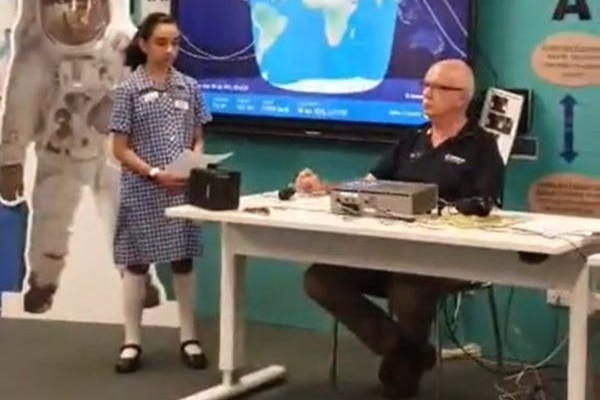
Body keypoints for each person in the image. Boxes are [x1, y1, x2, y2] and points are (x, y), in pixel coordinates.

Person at [297, 59, 505, 399]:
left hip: (445, 260)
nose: (426, 93)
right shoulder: (411, 139)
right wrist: (325, 188)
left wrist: (440, 209)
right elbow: (369, 185)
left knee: (408, 288)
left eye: (438, 87)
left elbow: (486, 202)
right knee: (320, 278)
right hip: (389, 251)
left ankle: (402, 377)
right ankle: (404, 350)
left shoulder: (481, 145)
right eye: (425, 85)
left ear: (462, 98)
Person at [0, 0, 161, 313]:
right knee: (51, 217)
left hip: (110, 150)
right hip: (59, 149)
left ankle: (137, 276)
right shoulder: (36, 52)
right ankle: (44, 281)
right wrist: (10, 160)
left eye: (87, 2)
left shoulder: (120, 43)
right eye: (64, 2)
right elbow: (19, 106)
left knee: (123, 212)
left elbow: (144, 96)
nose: (78, 11)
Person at [109, 12, 211, 374]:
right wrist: (154, 173)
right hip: (142, 188)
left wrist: (195, 159)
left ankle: (189, 336)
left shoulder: (190, 87)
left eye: (175, 43)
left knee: (183, 259)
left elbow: (198, 133)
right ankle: (131, 341)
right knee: (137, 262)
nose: (170, 50)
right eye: (162, 43)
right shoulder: (128, 90)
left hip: (182, 188)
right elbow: (119, 148)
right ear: (144, 44)